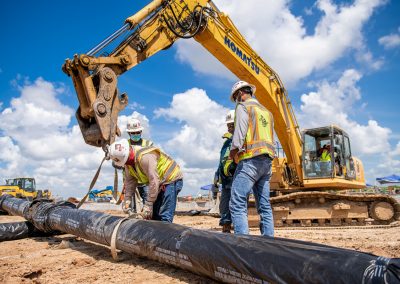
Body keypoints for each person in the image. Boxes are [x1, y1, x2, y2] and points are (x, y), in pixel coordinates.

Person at [228, 80, 275, 237]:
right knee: (264, 205)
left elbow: (239, 134)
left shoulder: (243, 107)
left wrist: (232, 155)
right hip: (267, 163)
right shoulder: (267, 112)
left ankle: (243, 244)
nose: (236, 101)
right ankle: (269, 242)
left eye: (236, 97)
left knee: (237, 202)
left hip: (250, 160)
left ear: (241, 93)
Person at [109, 140, 183, 223]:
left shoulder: (145, 157)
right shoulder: (128, 163)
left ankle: (165, 233)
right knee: (154, 216)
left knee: (164, 215)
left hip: (171, 179)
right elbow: (130, 182)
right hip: (159, 182)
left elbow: (153, 180)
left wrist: (148, 204)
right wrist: (127, 200)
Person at [213, 110, 236, 233]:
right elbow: (222, 160)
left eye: (232, 125)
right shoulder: (227, 142)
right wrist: (217, 175)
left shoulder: (241, 139)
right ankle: (226, 228)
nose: (229, 127)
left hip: (235, 177)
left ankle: (239, 230)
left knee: (236, 205)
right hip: (226, 179)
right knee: (224, 205)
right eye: (228, 125)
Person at [126, 118, 154, 207]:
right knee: (130, 205)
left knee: (147, 202)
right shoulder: (124, 145)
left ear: (141, 132)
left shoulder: (148, 144)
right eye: (133, 133)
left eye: (137, 132)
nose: (135, 134)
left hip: (145, 180)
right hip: (130, 178)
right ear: (129, 133)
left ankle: (148, 219)